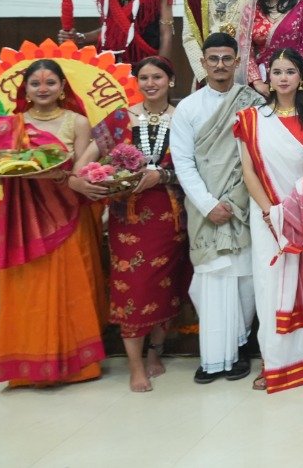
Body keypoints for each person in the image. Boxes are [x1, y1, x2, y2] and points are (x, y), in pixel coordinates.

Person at [0, 60, 109, 386]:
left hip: (68, 216)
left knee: (73, 289)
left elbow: (81, 172)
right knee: (31, 292)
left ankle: (80, 367)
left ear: (62, 88)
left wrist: (69, 177)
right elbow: (2, 173)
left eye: (50, 82)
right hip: (25, 220)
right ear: (25, 90)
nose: (43, 89)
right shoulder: (10, 126)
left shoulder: (78, 122)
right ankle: (28, 368)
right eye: (35, 83)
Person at [171, 32, 262, 383]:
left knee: (244, 280)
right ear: (203, 62)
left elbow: (259, 157)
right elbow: (183, 163)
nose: (220, 65)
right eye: (213, 59)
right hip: (204, 208)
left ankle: (237, 349)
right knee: (209, 280)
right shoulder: (189, 108)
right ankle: (212, 356)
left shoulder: (253, 103)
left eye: (227, 59)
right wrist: (209, 205)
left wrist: (234, 202)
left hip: (243, 205)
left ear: (237, 62)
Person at [234, 49, 303, 393]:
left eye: (290, 71)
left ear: (301, 78)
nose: (283, 78)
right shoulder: (251, 119)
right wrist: (271, 211)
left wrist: (296, 209)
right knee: (269, 287)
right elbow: (248, 171)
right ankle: (271, 362)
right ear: (267, 78)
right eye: (277, 72)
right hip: (267, 215)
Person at [106, 56, 190, 392]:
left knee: (163, 284)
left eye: (157, 77)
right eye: (144, 78)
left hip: (169, 215)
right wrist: (97, 177)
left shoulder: (184, 117)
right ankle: (135, 365)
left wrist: (162, 176)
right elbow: (91, 159)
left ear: (171, 81)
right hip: (127, 216)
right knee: (132, 287)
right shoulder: (119, 117)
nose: (150, 83)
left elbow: (196, 166)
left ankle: (156, 350)